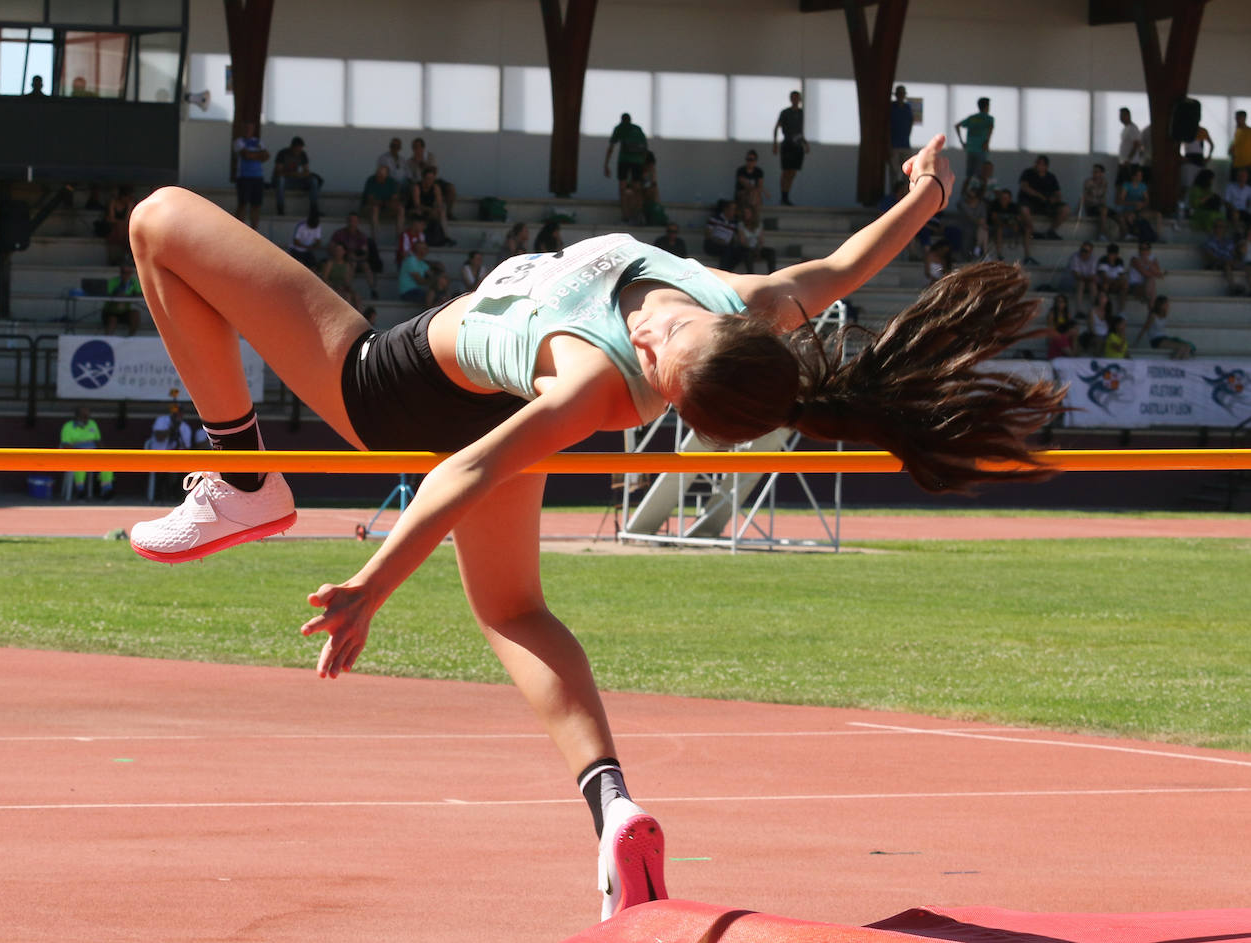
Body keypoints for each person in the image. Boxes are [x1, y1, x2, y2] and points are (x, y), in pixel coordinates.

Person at [125, 134, 1062, 922]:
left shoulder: (594, 380)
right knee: (512, 611)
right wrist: (928, 191)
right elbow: (852, 262)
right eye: (668, 346)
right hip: (484, 400)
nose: (651, 349)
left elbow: (467, 468)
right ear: (733, 326)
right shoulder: (756, 303)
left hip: (395, 386)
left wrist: (373, 583)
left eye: (657, 377)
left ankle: (243, 477)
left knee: (161, 219)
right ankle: (614, 810)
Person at [59, 405, 113, 500]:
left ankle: (106, 490)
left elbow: (98, 441)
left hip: (93, 454)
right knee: (80, 464)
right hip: (77, 455)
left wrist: (104, 453)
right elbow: (65, 444)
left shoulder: (92, 424)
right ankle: (80, 490)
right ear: (77, 416)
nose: (86, 418)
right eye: (83, 416)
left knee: (108, 463)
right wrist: (78, 453)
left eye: (87, 416)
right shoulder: (68, 427)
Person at [604, 113, 648, 224]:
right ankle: (637, 214)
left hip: (624, 161)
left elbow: (611, 147)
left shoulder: (619, 128)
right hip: (637, 162)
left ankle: (626, 216)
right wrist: (643, 166)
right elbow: (645, 149)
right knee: (637, 188)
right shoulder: (637, 129)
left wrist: (606, 165)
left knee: (623, 188)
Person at [328, 213, 380, 300]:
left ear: (358, 222)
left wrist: (356, 257)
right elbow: (330, 247)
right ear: (347, 222)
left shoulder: (361, 236)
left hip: (357, 260)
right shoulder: (339, 234)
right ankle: (347, 287)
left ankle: (373, 289)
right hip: (343, 260)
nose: (352, 223)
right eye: (350, 221)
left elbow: (366, 254)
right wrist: (343, 255)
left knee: (365, 265)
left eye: (355, 221)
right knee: (352, 264)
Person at [1016, 155, 1069, 238]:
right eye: (1036, 162)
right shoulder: (1028, 173)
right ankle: (1032, 232)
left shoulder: (1051, 177)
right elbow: (1024, 187)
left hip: (1046, 204)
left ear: (1046, 166)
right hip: (1029, 202)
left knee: (1065, 209)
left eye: (1040, 163)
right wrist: (1039, 195)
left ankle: (1051, 231)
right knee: (1023, 209)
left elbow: (1058, 193)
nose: (1037, 165)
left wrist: (1054, 199)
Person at [772, 90, 809, 205]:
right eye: (793, 97)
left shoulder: (801, 113)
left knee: (793, 172)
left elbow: (800, 131)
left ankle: (786, 196)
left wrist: (805, 143)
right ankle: (783, 196)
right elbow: (776, 127)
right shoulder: (785, 112)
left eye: (797, 98)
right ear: (790, 99)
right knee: (786, 171)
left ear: (799, 99)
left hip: (797, 146)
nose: (795, 100)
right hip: (787, 144)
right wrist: (775, 143)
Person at [272, 136, 323, 217]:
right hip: (286, 182)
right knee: (281, 180)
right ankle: (280, 209)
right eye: (297, 148)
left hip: (298, 181)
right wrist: (293, 174)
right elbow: (278, 172)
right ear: (292, 147)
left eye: (300, 148)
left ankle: (314, 210)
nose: (299, 150)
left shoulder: (303, 154)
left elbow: (306, 171)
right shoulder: (283, 153)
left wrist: (302, 174)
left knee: (314, 181)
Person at [1135, 295, 1194, 360]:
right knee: (1182, 347)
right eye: (1166, 304)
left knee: (1188, 347)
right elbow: (1144, 329)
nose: (1168, 305)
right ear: (1161, 305)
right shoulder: (1153, 316)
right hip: (1156, 340)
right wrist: (1136, 342)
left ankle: (1181, 363)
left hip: (1164, 338)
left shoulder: (1164, 315)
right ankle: (1174, 362)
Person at [232, 122, 268, 229]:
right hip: (244, 177)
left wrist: (254, 155)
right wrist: (259, 155)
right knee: (243, 204)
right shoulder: (239, 141)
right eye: (247, 128)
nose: (249, 130)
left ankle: (254, 231)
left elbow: (266, 156)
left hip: (258, 177)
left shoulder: (259, 142)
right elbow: (246, 155)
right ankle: (238, 229)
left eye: (251, 128)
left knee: (256, 205)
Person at [954, 97, 993, 183]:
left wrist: (962, 142)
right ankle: (977, 194)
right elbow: (990, 130)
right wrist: (987, 142)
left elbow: (957, 126)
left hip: (970, 149)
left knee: (969, 175)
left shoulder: (972, 118)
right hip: (981, 150)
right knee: (982, 175)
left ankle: (968, 193)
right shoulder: (989, 119)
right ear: (987, 106)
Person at [361, 164, 405, 237]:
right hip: (370, 208)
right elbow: (371, 200)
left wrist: (388, 203)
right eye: (377, 173)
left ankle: (400, 236)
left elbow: (395, 199)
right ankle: (375, 237)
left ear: (386, 175)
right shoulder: (371, 180)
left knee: (401, 209)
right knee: (375, 209)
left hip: (386, 207)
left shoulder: (391, 182)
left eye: (381, 174)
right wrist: (385, 202)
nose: (379, 176)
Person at [1202, 218, 1244, 295]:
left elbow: (1234, 254)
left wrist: (1236, 260)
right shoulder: (1209, 241)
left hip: (1231, 262)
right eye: (1218, 226)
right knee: (1227, 264)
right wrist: (1222, 260)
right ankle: (1232, 287)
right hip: (1217, 263)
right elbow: (1209, 256)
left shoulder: (1229, 241)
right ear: (1214, 228)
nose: (1220, 229)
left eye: (1223, 227)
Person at [101, 263, 143, 337]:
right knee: (112, 319)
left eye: (129, 272)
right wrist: (118, 294)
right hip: (111, 310)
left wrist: (128, 296)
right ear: (120, 272)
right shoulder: (113, 281)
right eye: (124, 272)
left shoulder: (133, 282)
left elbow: (139, 294)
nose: (126, 275)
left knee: (135, 314)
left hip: (124, 311)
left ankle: (130, 338)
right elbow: (107, 294)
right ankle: (107, 339)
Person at [735, 204, 777, 275]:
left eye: (748, 213)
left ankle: (772, 274)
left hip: (757, 248)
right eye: (745, 213)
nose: (746, 215)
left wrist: (758, 249)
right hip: (746, 248)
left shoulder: (759, 225)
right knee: (748, 253)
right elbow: (743, 241)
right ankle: (750, 273)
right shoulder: (741, 225)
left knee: (771, 252)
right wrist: (753, 250)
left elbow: (761, 239)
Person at [1080, 164, 1116, 242]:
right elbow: (1085, 198)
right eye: (1093, 172)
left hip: (1101, 207)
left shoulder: (1104, 182)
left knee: (1119, 216)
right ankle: (1101, 234)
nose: (1094, 173)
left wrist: (1103, 205)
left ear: (1102, 173)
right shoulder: (1088, 182)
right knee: (1103, 211)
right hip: (1091, 207)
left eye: (1096, 172)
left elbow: (1103, 197)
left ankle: (1125, 236)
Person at [703, 199, 741, 270]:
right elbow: (707, 234)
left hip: (727, 246)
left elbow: (736, 238)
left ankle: (727, 271)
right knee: (727, 250)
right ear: (726, 209)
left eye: (735, 209)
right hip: (712, 244)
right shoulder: (715, 218)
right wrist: (717, 240)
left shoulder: (735, 222)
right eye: (732, 209)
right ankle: (723, 271)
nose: (734, 211)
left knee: (740, 252)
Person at [888, 84, 914, 186]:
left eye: (902, 94)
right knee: (894, 172)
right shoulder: (891, 107)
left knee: (907, 171)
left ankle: (906, 194)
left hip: (905, 144)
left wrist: (908, 134)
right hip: (894, 145)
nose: (901, 96)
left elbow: (911, 121)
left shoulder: (907, 107)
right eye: (899, 94)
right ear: (897, 95)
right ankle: (894, 196)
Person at [1126, 241, 1165, 309]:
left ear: (1149, 250)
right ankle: (1152, 310)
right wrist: (1155, 272)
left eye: (1145, 249)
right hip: (1134, 286)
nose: (1143, 251)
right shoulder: (1135, 259)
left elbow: (1159, 273)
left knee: (1151, 283)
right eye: (1141, 249)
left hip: (1146, 286)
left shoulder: (1152, 258)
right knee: (1151, 280)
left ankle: (1150, 305)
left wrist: (1148, 262)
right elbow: (1145, 273)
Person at [104, 185, 135, 265]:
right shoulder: (113, 202)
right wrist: (120, 222)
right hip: (111, 226)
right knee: (120, 228)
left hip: (123, 227)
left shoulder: (129, 204)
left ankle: (125, 255)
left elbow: (127, 219)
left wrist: (129, 206)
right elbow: (111, 218)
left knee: (124, 229)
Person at [1095, 243, 1129, 312]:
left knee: (1125, 284)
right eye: (1111, 253)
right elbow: (1104, 277)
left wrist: (1117, 282)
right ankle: (1105, 308)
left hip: (1114, 284)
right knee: (1106, 285)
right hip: (1103, 285)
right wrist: (1115, 282)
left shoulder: (1119, 261)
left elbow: (1121, 277)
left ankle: (1121, 310)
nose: (1112, 256)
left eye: (1114, 254)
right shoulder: (1103, 260)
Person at [397, 240, 433, 304]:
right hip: (408, 292)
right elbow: (419, 280)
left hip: (417, 291)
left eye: (425, 248)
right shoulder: (411, 260)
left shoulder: (422, 263)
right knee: (433, 297)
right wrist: (433, 281)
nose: (426, 250)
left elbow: (432, 275)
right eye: (423, 248)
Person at [1045, 293, 1080, 359]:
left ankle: (1073, 353)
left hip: (1064, 334)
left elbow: (1071, 326)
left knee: (1075, 332)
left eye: (1062, 302)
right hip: (1056, 336)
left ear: (1065, 303)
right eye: (1058, 301)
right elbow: (1050, 330)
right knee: (1063, 338)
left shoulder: (1067, 314)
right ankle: (1071, 354)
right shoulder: (1052, 314)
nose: (1060, 304)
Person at [734, 150, 766, 217]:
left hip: (754, 196)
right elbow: (745, 184)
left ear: (755, 161)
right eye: (747, 159)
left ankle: (751, 218)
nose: (749, 161)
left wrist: (758, 190)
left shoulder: (759, 171)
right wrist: (762, 190)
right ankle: (752, 218)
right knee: (753, 195)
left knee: (754, 195)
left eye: (751, 159)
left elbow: (760, 186)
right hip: (741, 194)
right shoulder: (741, 170)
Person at [1229, 111, 1251, 177]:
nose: (1237, 120)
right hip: (1236, 164)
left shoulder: (1249, 131)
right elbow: (1236, 144)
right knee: (1233, 185)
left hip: (1247, 165)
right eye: (1236, 118)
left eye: (1238, 118)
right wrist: (1231, 150)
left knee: (1246, 186)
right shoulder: (1237, 131)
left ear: (1244, 118)